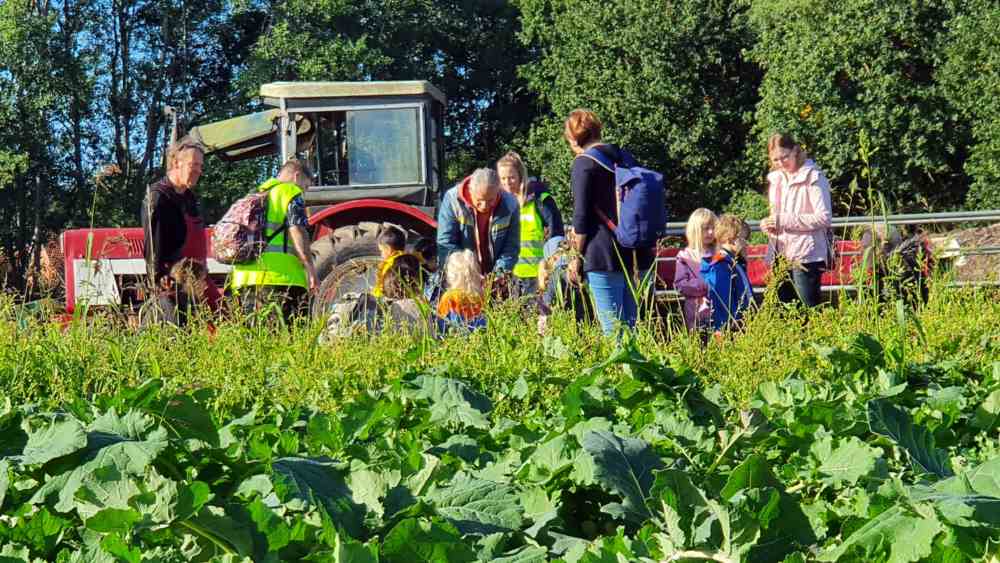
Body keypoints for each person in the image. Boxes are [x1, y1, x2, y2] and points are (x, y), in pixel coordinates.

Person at [564, 109, 656, 336]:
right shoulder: (626, 158)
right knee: (633, 332)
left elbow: (581, 217)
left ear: (573, 138)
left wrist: (575, 258)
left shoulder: (584, 163)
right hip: (636, 255)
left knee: (613, 332)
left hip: (602, 254)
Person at [141, 136, 221, 325]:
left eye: (201, 166)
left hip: (198, 278)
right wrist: (159, 282)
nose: (199, 170)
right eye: (194, 165)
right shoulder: (158, 198)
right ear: (176, 163)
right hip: (173, 282)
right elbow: (153, 249)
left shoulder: (190, 199)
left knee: (222, 318)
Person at [230, 159, 319, 324]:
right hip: (281, 280)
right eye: (305, 186)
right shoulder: (290, 191)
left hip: (244, 281)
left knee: (256, 335)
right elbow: (297, 230)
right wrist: (311, 270)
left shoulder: (254, 194)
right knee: (287, 335)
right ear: (297, 176)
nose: (304, 192)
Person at [759, 133, 832, 308]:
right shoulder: (776, 180)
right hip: (780, 253)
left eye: (784, 157)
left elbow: (824, 217)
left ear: (795, 151)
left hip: (806, 256)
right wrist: (767, 224)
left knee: (808, 309)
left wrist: (784, 220)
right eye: (775, 160)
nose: (781, 163)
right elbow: (776, 217)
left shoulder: (814, 176)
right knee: (783, 311)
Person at [496, 151, 564, 295]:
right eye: (503, 179)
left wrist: (548, 266)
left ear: (520, 176)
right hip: (511, 278)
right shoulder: (500, 205)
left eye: (511, 177)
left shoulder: (540, 200)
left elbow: (556, 235)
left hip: (539, 276)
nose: (507, 183)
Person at [436, 168, 520, 284]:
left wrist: (499, 274)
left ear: (498, 191)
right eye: (479, 200)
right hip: (463, 276)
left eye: (490, 200)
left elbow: (511, 246)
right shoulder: (452, 201)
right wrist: (468, 273)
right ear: (470, 191)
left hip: (496, 275)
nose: (484, 206)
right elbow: (446, 244)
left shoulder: (511, 205)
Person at [701, 214, 753, 333]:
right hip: (731, 326)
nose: (747, 244)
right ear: (731, 239)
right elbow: (722, 300)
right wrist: (729, 325)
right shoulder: (721, 265)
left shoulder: (735, 261)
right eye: (744, 239)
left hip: (741, 321)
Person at [674, 208, 717, 332]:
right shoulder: (685, 256)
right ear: (695, 230)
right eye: (706, 228)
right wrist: (707, 286)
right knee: (699, 339)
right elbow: (681, 285)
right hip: (695, 310)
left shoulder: (719, 253)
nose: (710, 232)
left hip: (719, 308)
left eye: (713, 228)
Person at [436, 249, 487, 333]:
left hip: (456, 339)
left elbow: (440, 326)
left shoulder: (449, 298)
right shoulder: (481, 295)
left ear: (451, 275)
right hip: (481, 338)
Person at [373, 225, 423, 298]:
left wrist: (375, 295)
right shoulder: (408, 259)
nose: (381, 254)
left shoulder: (389, 265)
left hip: (391, 296)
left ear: (388, 249)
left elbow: (381, 287)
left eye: (381, 251)